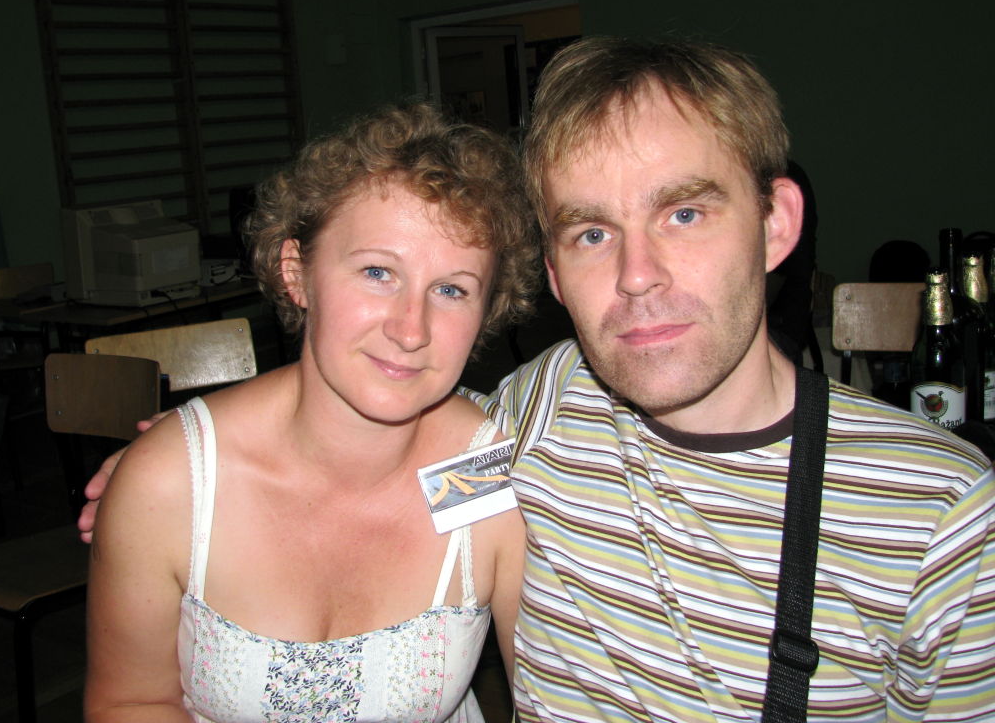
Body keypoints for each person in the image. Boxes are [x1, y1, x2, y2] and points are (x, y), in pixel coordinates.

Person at [81, 38, 995, 722]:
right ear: (556, 275)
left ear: (776, 224)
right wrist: (173, 474)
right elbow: (376, 446)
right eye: (593, 232)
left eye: (683, 213)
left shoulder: (943, 517)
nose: (637, 275)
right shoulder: (537, 419)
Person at [83, 102, 533, 722]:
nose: (411, 330)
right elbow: (130, 702)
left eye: (451, 289)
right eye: (377, 272)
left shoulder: (485, 475)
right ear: (297, 274)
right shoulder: (174, 482)